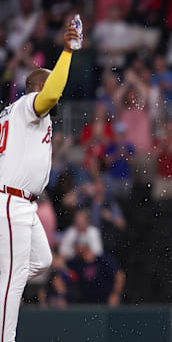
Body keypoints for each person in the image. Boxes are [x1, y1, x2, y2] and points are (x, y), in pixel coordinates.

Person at [0, 22, 79, 342]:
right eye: (48, 86)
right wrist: (68, 53)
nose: (55, 94)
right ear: (37, 88)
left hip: (23, 203)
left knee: (42, 261)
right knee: (15, 278)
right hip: (11, 200)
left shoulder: (18, 116)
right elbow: (51, 92)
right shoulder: (30, 106)